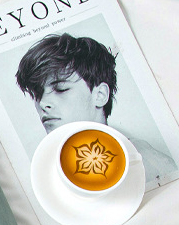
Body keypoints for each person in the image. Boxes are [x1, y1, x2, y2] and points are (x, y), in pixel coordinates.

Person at [15, 32, 175, 183]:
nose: (43, 103)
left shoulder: (147, 163)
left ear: (100, 95)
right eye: (37, 94)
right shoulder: (46, 173)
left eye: (61, 89)